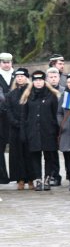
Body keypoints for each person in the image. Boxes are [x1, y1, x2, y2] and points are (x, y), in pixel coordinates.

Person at [20, 71, 60, 190]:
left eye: (40, 80)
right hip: (33, 132)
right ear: (33, 82)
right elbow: (24, 116)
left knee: (49, 156)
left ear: (44, 81)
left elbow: (56, 115)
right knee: (35, 157)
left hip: (48, 131)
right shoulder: (28, 96)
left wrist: (56, 131)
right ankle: (37, 179)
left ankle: (47, 179)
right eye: (36, 80)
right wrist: (24, 132)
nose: (38, 83)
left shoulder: (52, 96)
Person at [6, 67, 33, 188]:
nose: (20, 78)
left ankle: (31, 178)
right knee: (16, 154)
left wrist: (27, 123)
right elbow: (8, 110)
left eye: (22, 76)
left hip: (28, 128)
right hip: (15, 128)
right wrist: (15, 122)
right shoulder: (11, 94)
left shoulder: (31, 93)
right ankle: (20, 179)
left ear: (26, 78)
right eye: (17, 76)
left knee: (29, 154)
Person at [0, 52, 15, 184]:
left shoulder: (18, 75)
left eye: (8, 62)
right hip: (1, 116)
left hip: (15, 115)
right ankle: (2, 176)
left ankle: (19, 176)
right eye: (3, 62)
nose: (6, 64)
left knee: (17, 147)